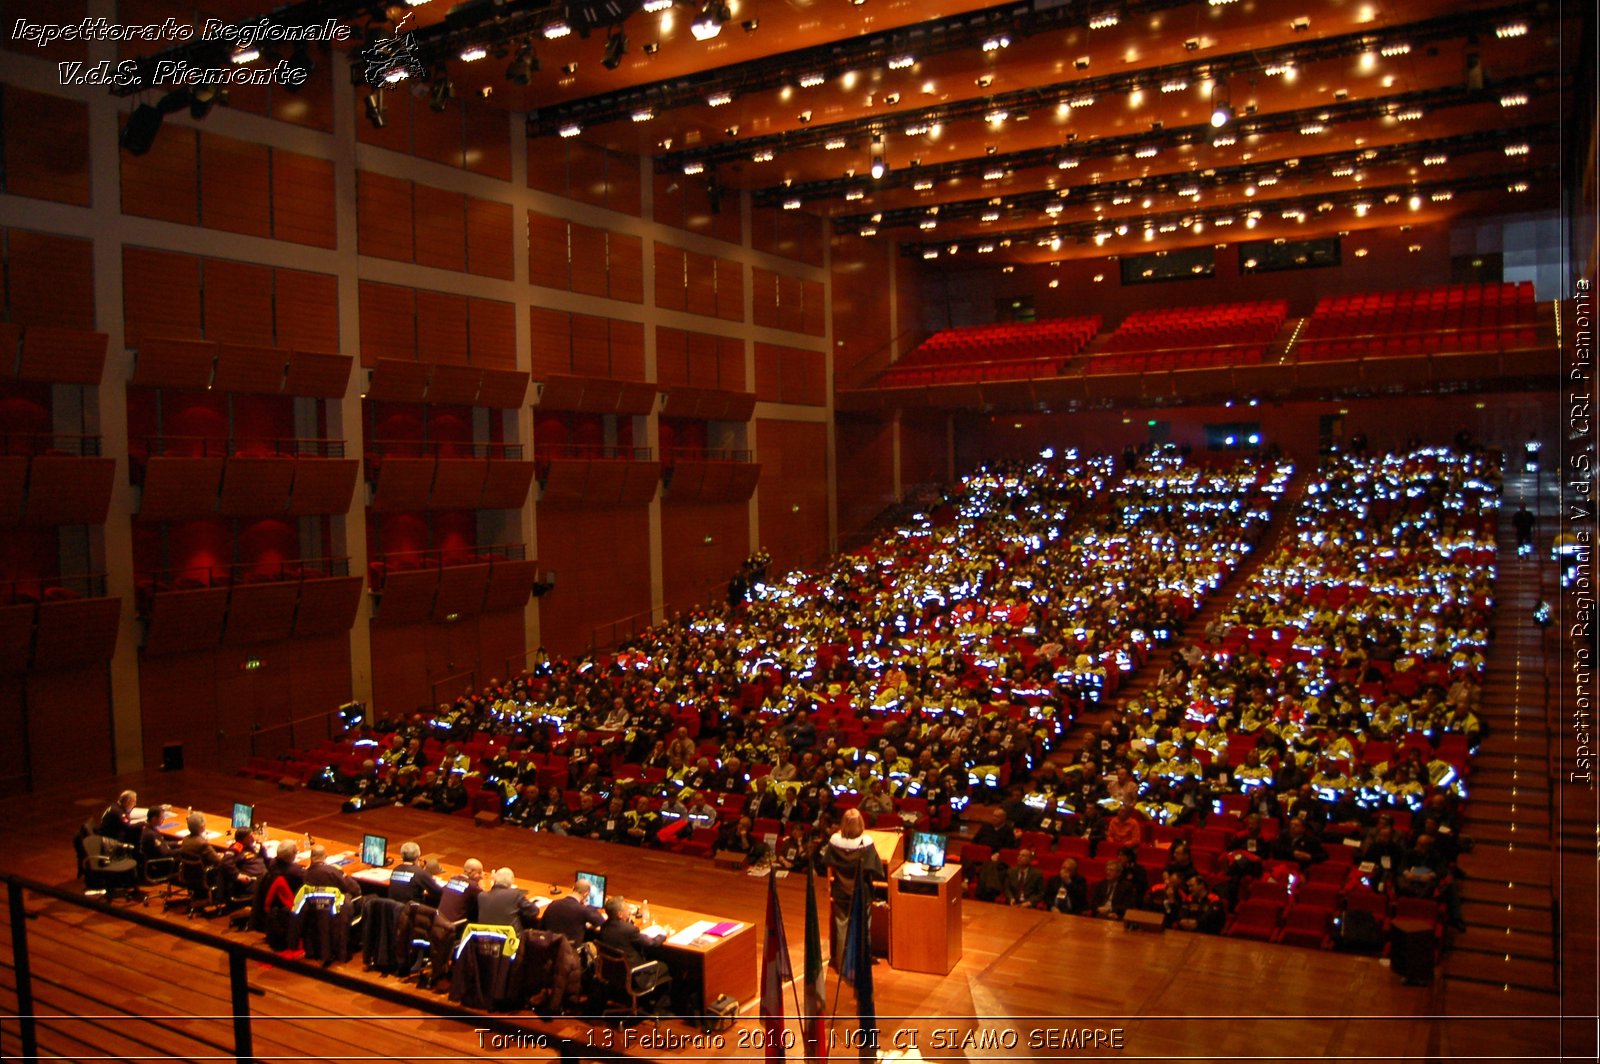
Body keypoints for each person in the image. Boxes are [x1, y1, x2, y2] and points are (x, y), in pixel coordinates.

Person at [822, 808, 885, 967]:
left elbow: (827, 862)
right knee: (863, 928)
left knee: (842, 926)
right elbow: (875, 869)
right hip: (861, 893)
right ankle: (862, 962)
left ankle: (842, 962)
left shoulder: (834, 841)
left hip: (840, 891)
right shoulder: (866, 843)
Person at [597, 895, 669, 991]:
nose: (630, 912)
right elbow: (651, 944)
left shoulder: (604, 926)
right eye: (627, 910)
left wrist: (628, 921)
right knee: (665, 966)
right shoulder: (629, 930)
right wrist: (663, 934)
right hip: (635, 975)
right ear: (620, 914)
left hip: (611, 973)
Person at [542, 873, 606, 946]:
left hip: (550, 949)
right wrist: (589, 908)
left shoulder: (553, 904)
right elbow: (603, 924)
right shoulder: (583, 910)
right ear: (586, 894)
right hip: (570, 953)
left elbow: (542, 927)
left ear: (573, 888)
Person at [477, 867, 540, 931]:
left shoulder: (481, 896)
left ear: (495, 880)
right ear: (512, 882)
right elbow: (534, 911)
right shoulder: (515, 894)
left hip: (485, 938)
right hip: (511, 939)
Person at [388, 841, 443, 906]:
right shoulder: (420, 873)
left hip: (393, 910)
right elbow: (439, 893)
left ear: (402, 855)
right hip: (411, 912)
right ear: (418, 855)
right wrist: (431, 879)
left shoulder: (396, 869)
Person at [437, 859, 485, 925]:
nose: (482, 876)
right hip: (453, 927)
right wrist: (480, 887)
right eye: (479, 873)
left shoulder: (453, 879)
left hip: (437, 922)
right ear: (470, 872)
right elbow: (484, 900)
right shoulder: (473, 886)